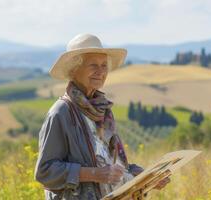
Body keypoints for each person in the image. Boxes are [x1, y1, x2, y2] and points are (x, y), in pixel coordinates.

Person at [34, 33, 170, 200]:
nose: (100, 72)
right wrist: (94, 174)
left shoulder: (103, 111)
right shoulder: (61, 112)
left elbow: (113, 164)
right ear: (74, 69)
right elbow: (44, 171)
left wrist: (145, 176)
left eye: (104, 66)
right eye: (93, 65)